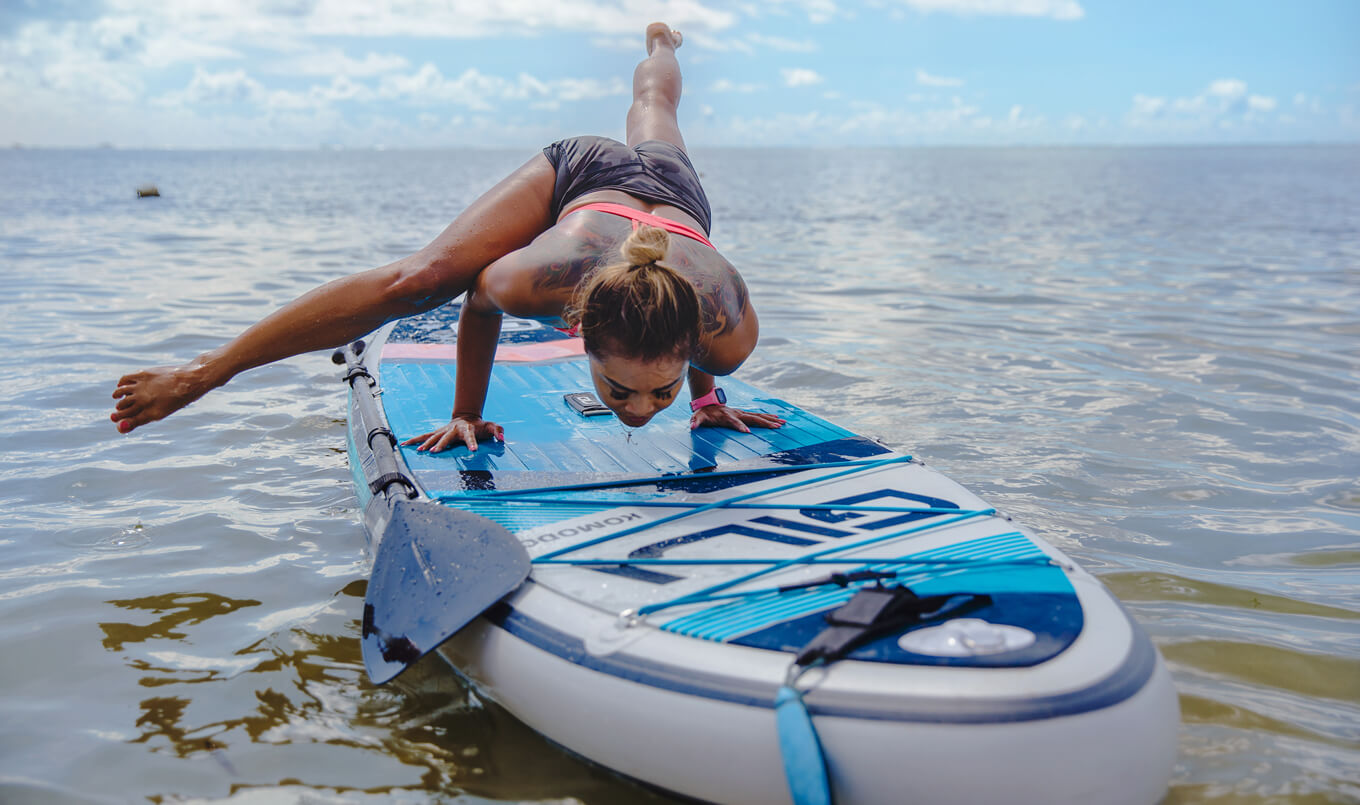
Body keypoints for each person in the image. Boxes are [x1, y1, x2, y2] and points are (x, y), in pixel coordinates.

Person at [111, 22, 785, 452]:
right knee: (423, 281)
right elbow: (480, 305)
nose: (639, 410)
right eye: (619, 389)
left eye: (657, 392)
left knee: (654, 106)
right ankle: (206, 370)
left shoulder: (727, 335)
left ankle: (663, 44)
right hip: (583, 175)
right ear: (579, 325)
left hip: (675, 195)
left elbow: (702, 331)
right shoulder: (538, 278)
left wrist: (702, 397)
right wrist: (468, 411)